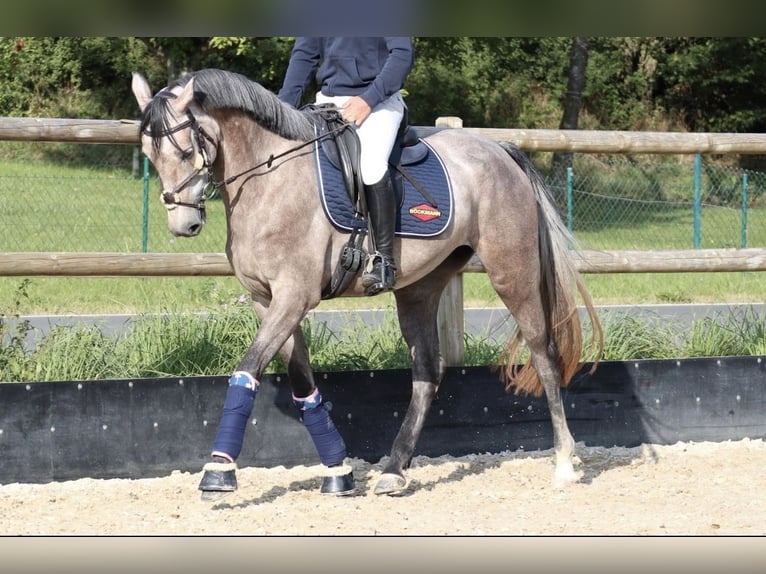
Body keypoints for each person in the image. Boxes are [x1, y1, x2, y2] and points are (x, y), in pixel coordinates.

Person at [278, 37, 414, 295]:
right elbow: (303, 57)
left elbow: (402, 55)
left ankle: (383, 260)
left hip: (378, 104)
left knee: (371, 166)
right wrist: (281, 110)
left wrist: (368, 99)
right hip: (328, 103)